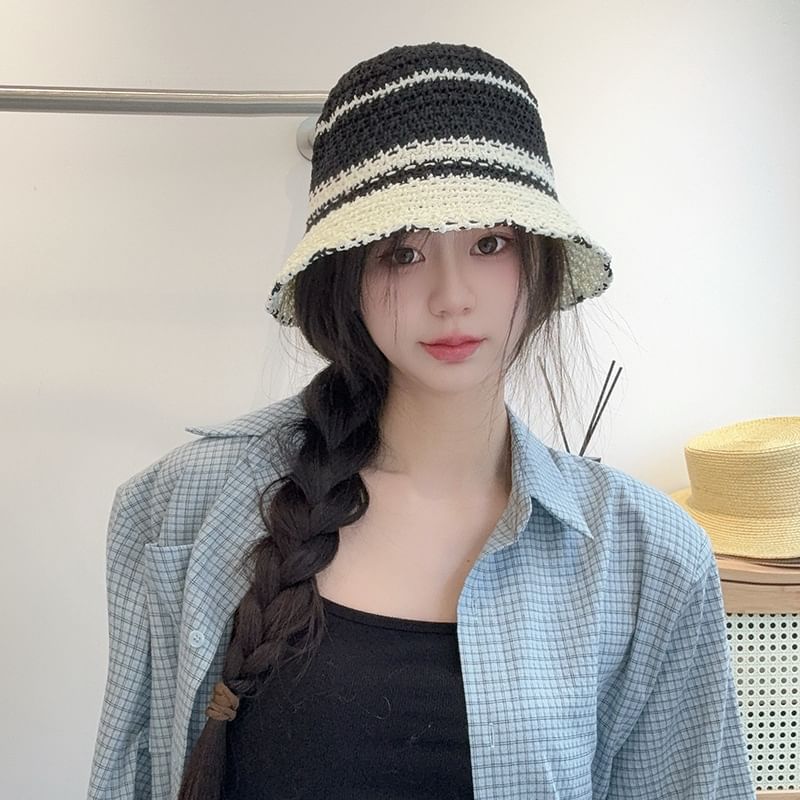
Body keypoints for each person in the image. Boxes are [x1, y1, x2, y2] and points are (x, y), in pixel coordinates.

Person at [87, 42, 756, 800]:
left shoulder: (647, 558)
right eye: (402, 254)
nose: (452, 296)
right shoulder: (181, 509)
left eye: (490, 243)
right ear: (345, 277)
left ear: (537, 260)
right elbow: (128, 778)